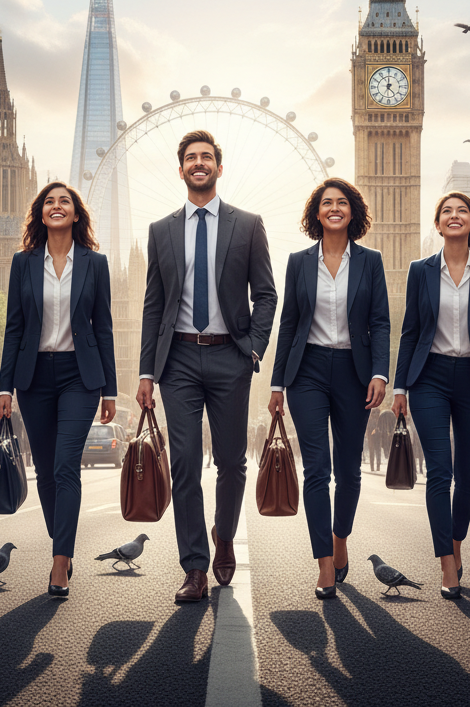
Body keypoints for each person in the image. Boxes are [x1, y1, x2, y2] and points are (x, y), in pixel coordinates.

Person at [138, 130, 277, 604]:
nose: (199, 163)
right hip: (177, 358)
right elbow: (153, 305)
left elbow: (266, 294)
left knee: (232, 462)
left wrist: (253, 348)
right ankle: (194, 566)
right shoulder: (160, 230)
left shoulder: (248, 225)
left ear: (219, 167)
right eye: (191, 158)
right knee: (183, 462)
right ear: (181, 170)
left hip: (229, 355)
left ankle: (224, 535)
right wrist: (146, 372)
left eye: (206, 157)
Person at [0, 181, 117, 598]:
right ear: (41, 213)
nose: (56, 205)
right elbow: (14, 328)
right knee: (45, 471)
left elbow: (104, 328)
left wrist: (110, 390)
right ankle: (61, 540)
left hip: (78, 377)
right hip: (33, 378)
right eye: (49, 201)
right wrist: (4, 387)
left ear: (76, 213)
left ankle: (60, 561)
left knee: (66, 465)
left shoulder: (95, 263)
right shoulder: (23, 262)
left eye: (64, 201)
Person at [270, 179, 389, 599]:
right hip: (308, 372)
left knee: (349, 470)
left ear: (352, 212)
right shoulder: (298, 262)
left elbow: (380, 321)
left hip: (355, 372)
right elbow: (288, 324)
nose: (334, 208)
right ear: (316, 214)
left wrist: (380, 373)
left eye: (342, 203)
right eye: (327, 203)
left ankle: (340, 539)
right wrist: (277, 383)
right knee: (317, 469)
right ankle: (324, 562)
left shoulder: (371, 261)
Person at [393, 192, 470, 600]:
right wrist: (400, 386)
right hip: (429, 378)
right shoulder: (420, 270)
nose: (454, 216)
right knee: (440, 471)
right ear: (438, 224)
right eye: (447, 211)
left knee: (468, 475)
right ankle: (446, 560)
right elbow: (410, 331)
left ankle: (456, 542)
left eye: (462, 211)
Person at [367, 407, 383, 473]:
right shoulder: (378, 420)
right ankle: (375, 467)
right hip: (375, 438)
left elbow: (368, 429)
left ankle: (374, 467)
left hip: (373, 438)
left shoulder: (370, 420)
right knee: (376, 452)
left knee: (374, 453)